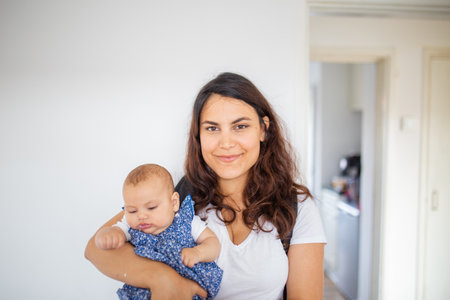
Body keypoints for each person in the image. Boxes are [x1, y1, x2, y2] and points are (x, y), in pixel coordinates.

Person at [85, 72, 326, 300]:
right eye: (212, 128)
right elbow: (95, 249)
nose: (226, 142)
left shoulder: (298, 206)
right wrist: (163, 278)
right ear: (198, 136)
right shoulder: (177, 194)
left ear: (263, 129)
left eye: (240, 126)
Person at [94, 163, 222, 299]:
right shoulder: (128, 226)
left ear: (174, 203)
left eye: (151, 207)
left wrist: (198, 253)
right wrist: (107, 235)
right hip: (146, 290)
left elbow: (213, 243)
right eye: (132, 210)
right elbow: (109, 235)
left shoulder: (186, 220)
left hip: (188, 288)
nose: (141, 216)